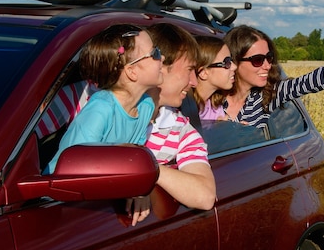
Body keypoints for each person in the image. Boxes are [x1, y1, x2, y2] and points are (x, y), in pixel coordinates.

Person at [43, 24, 163, 175]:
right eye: (156, 53)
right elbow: (76, 166)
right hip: (59, 191)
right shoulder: (101, 108)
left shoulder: (146, 106)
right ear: (132, 72)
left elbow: (134, 159)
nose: (162, 57)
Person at [142, 23, 217, 213]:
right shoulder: (85, 98)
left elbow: (205, 196)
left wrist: (147, 171)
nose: (194, 82)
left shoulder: (180, 128)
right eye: (189, 70)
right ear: (159, 66)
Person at [192, 35, 237, 121]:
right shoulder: (183, 107)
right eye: (227, 62)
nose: (234, 67)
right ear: (203, 73)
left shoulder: (215, 107)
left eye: (232, 60)